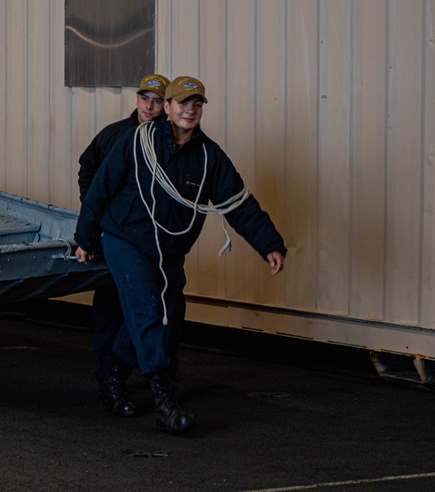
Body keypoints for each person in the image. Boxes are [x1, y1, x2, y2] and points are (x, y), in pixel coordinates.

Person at [74, 76, 286, 435]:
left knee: (168, 313)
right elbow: (101, 186)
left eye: (197, 104)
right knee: (146, 311)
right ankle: (164, 402)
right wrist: (85, 238)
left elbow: (238, 203)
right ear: (168, 109)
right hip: (126, 238)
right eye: (182, 104)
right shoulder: (137, 141)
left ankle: (113, 380)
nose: (190, 110)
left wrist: (270, 244)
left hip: (168, 248)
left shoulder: (208, 157)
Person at [76, 73, 168, 418]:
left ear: (167, 105)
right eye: (146, 98)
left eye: (157, 100)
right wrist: (95, 221)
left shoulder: (172, 141)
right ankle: (109, 382)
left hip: (155, 242)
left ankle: (148, 375)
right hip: (117, 238)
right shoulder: (116, 136)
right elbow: (89, 172)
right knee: (112, 310)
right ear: (137, 98)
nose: (150, 106)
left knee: (156, 309)